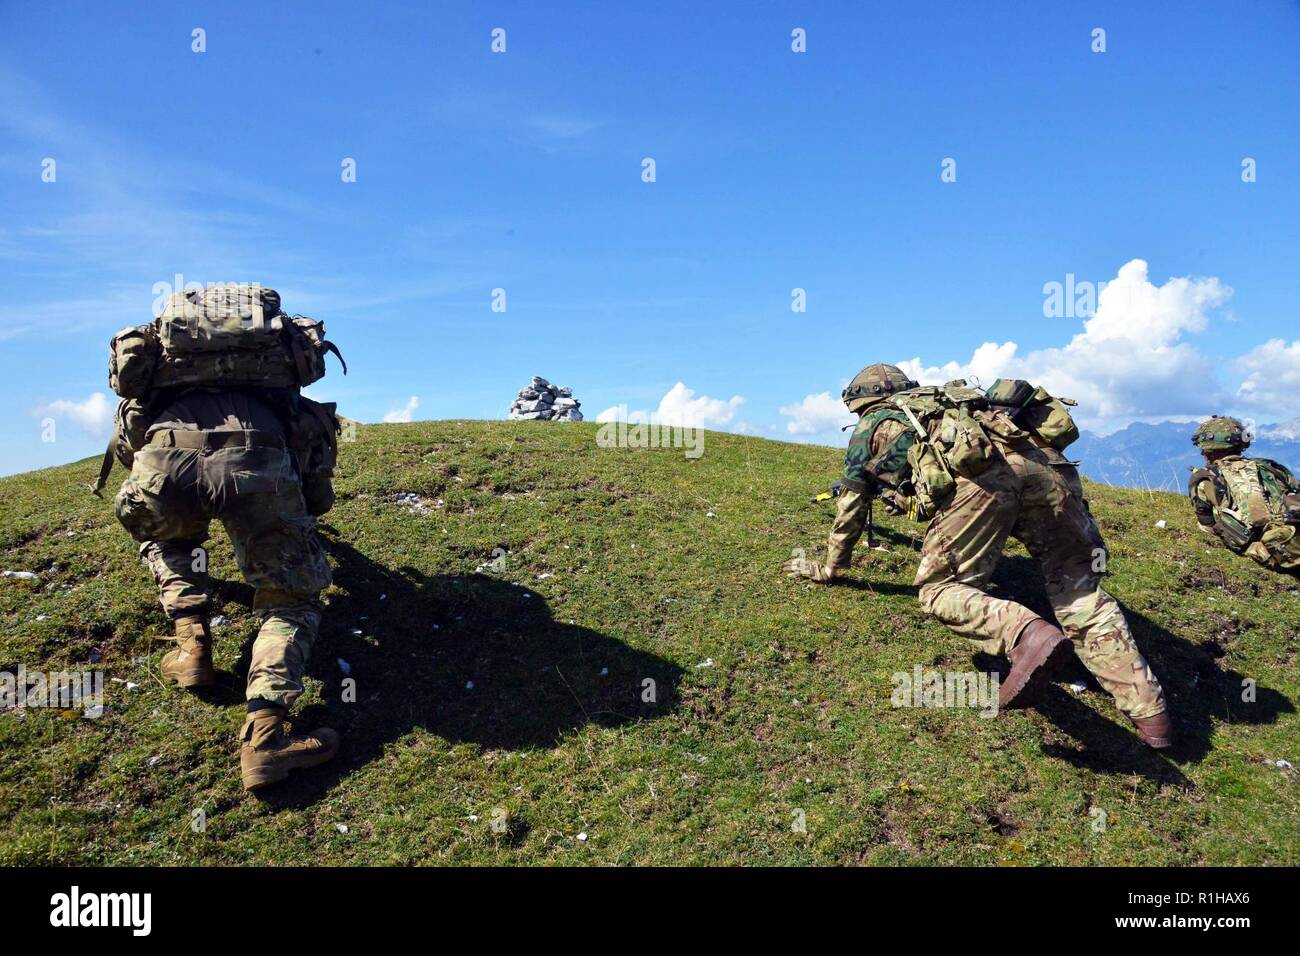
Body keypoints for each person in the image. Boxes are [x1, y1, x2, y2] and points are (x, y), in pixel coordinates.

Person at [785, 363, 1172, 748]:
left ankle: (1026, 634)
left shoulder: (874, 424)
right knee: (1080, 592)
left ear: (860, 404)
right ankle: (1151, 717)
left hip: (983, 484)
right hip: (1046, 468)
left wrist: (832, 565)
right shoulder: (949, 401)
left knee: (940, 589)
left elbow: (852, 505)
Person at [106, 284, 344, 790]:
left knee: (171, 542)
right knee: (290, 599)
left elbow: (129, 447)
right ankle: (267, 737)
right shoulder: (279, 378)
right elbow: (315, 482)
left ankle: (193, 647)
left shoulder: (161, 371)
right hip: (257, 460)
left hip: (162, 462)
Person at [1189, 416, 1300, 575]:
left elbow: (1207, 525)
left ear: (1207, 450)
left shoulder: (1204, 478)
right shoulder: (1272, 468)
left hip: (1264, 552)